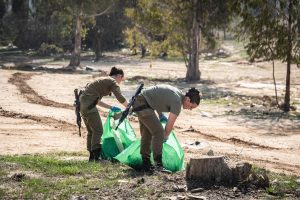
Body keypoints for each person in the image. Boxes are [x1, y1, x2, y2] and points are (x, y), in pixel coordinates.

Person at [132, 84, 201, 172]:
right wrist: (165, 137)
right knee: (159, 132)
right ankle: (158, 165)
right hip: (142, 103)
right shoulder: (177, 103)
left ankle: (146, 164)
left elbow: (157, 98)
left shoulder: (178, 94)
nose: (190, 109)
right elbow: (170, 124)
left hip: (140, 100)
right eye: (191, 107)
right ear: (188, 100)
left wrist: (160, 114)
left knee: (147, 133)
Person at [80, 67, 128, 162]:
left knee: (92, 131)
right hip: (89, 106)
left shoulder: (103, 80)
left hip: (82, 104)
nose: (120, 82)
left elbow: (96, 101)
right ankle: (96, 158)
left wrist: (111, 107)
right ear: (118, 76)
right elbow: (120, 97)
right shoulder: (112, 81)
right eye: (121, 79)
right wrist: (129, 106)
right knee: (98, 131)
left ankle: (91, 158)